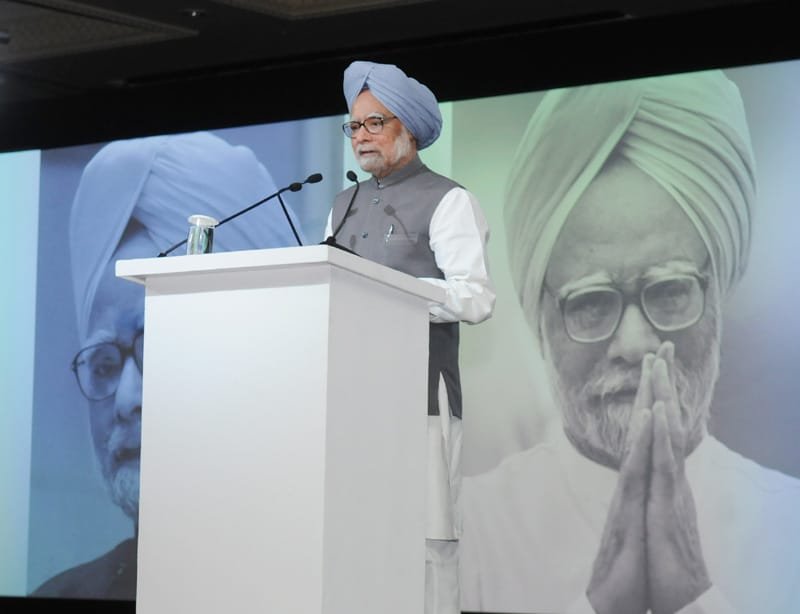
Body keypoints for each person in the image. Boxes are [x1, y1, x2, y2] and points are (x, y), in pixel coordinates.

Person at [459, 70, 800, 613]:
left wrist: (692, 596)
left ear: (718, 299)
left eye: (669, 292)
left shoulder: (790, 529)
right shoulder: (467, 535)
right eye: (591, 303)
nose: (636, 343)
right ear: (539, 319)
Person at [31, 130, 303, 599]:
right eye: (103, 364)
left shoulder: (331, 585)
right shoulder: (63, 597)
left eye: (161, 347)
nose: (126, 401)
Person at [325, 60, 496, 614]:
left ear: (410, 130)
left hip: (421, 401)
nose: (362, 138)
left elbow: (474, 297)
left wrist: (400, 290)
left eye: (376, 123)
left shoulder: (449, 201)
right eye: (354, 126)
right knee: (352, 534)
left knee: (427, 543)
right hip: (349, 404)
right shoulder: (342, 204)